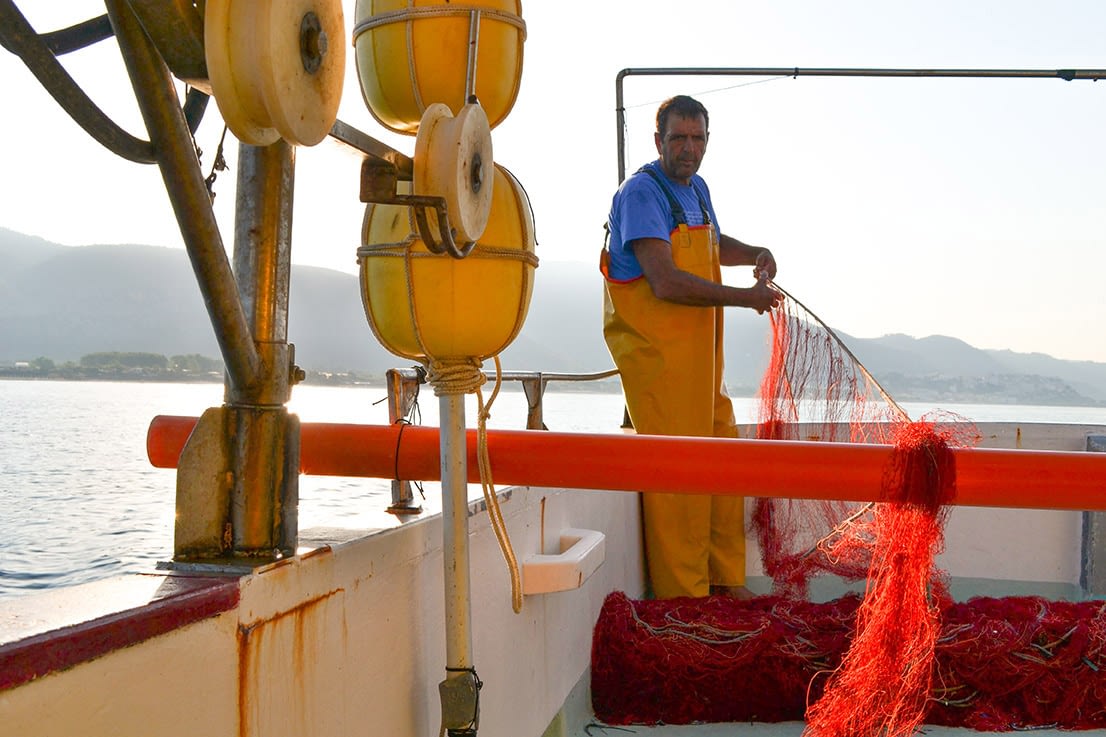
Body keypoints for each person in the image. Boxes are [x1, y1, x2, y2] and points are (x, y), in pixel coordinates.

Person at [600, 94, 782, 600]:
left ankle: (725, 582)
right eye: (677, 138)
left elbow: (713, 244)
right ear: (657, 141)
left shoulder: (697, 188)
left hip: (702, 367)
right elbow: (665, 282)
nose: (688, 148)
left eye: (697, 138)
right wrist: (746, 298)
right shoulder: (641, 194)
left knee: (723, 463)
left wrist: (754, 254)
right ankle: (685, 598)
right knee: (679, 482)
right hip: (658, 364)